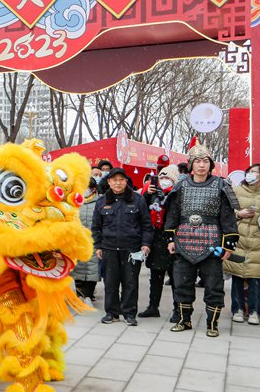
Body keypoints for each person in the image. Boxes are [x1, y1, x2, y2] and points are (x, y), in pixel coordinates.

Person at [164, 142, 239, 337]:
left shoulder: (221, 185)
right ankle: (183, 319)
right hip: (184, 240)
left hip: (212, 243)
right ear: (190, 164)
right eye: (197, 161)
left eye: (205, 161)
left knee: (214, 287)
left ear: (211, 164)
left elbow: (228, 218)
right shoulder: (180, 185)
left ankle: (212, 324)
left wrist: (228, 245)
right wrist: (170, 239)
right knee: (181, 284)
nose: (201, 165)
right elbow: (172, 214)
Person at [91, 168, 152, 326]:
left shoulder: (137, 200)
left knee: (130, 282)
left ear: (126, 181)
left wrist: (146, 244)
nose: (118, 183)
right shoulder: (102, 202)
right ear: (109, 182)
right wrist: (97, 246)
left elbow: (146, 225)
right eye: (114, 180)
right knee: (110, 282)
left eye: (121, 180)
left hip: (132, 249)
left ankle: (129, 313)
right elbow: (96, 227)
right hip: (109, 248)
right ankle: (111, 313)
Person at [225, 164, 260, 325]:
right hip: (239, 239)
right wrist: (239, 213)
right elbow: (226, 211)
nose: (250, 175)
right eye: (249, 172)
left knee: (254, 278)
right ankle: (236, 309)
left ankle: (254, 312)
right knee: (237, 276)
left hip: (258, 241)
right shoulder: (238, 191)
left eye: (254, 172)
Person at [139, 165, 180, 319]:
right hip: (155, 239)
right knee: (155, 276)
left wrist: (165, 197)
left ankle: (178, 309)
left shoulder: (176, 194)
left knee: (176, 277)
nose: (163, 181)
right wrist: (147, 195)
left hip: (172, 239)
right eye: (161, 178)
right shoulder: (151, 194)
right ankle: (153, 306)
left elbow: (175, 214)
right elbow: (142, 211)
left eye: (167, 178)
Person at [72, 178, 100, 305]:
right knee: (78, 268)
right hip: (78, 241)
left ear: (93, 189)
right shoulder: (73, 202)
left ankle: (88, 294)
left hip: (94, 241)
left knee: (92, 269)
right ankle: (79, 295)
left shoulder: (100, 202)